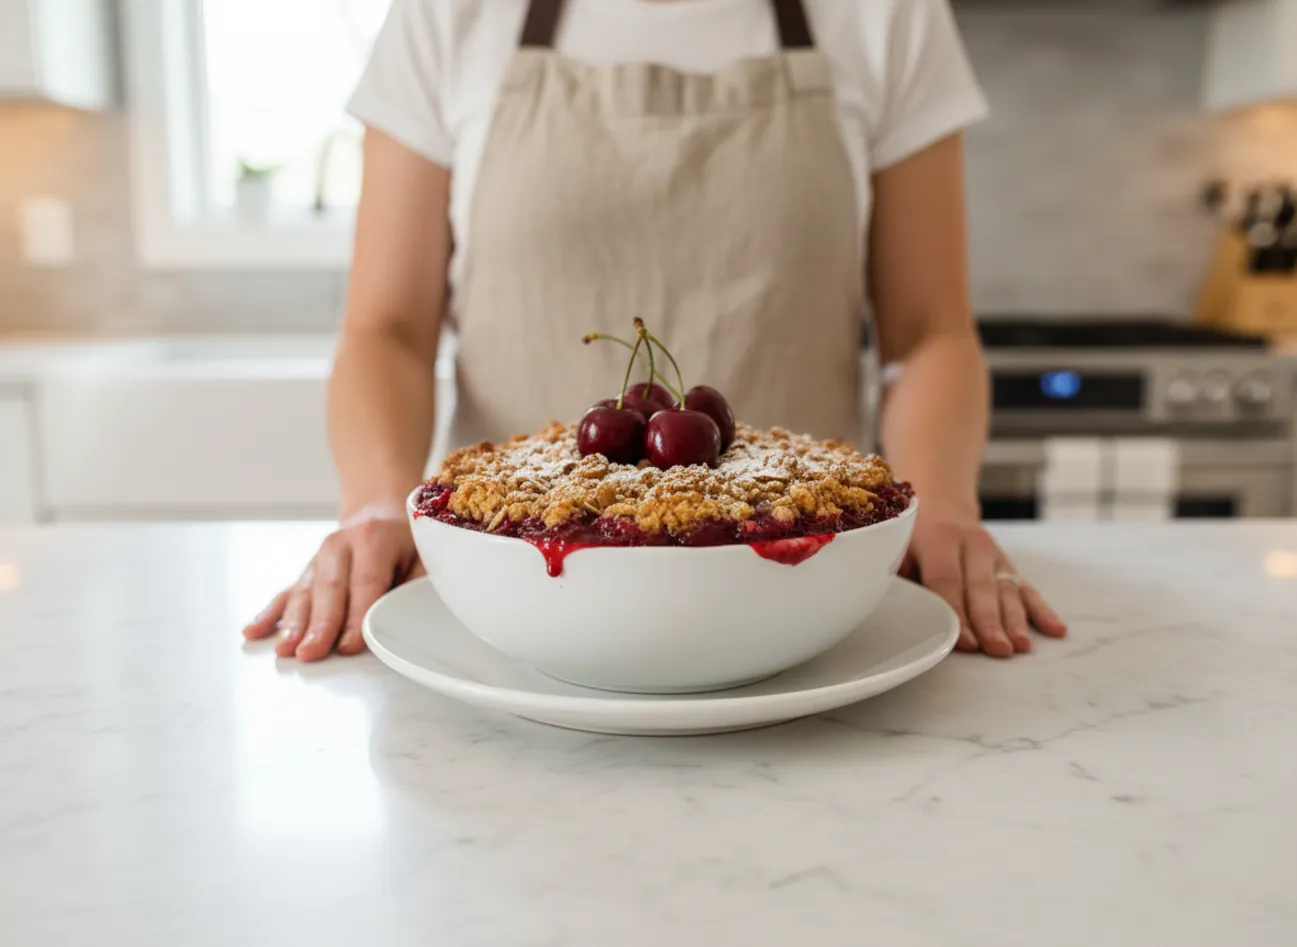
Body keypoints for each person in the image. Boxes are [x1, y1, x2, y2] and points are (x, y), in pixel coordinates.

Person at [243, 0, 1067, 662]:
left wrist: (945, 505)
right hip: (511, 601)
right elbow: (388, 329)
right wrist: (375, 507)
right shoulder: (444, 15)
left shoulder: (886, 14)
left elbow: (927, 335)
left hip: (800, 601)